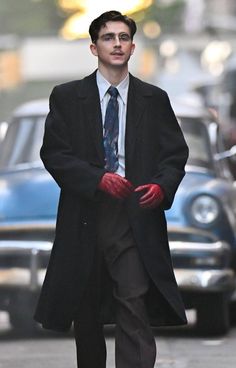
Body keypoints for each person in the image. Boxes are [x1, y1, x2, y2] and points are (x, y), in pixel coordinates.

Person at [34, 10, 189, 368]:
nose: (117, 44)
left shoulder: (154, 99)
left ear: (133, 47)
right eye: (108, 37)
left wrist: (162, 187)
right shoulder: (67, 97)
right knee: (86, 310)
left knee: (133, 297)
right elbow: (54, 153)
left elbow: (175, 153)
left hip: (135, 215)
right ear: (93, 47)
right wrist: (96, 178)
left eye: (123, 38)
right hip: (85, 215)